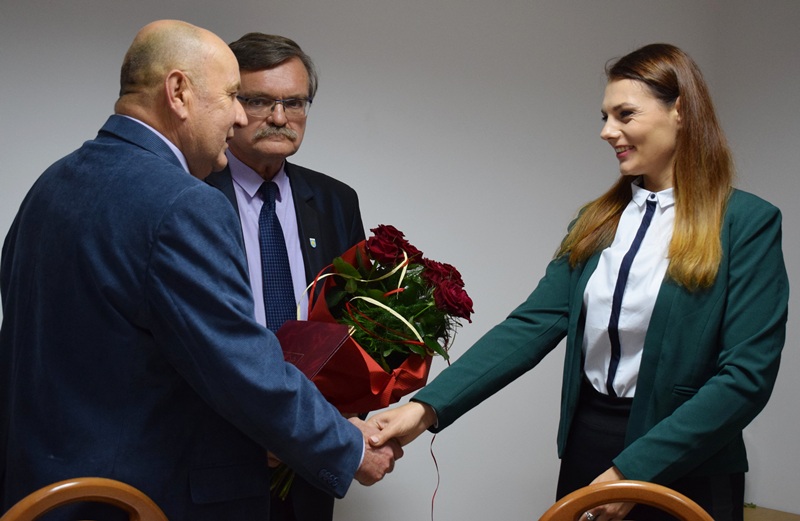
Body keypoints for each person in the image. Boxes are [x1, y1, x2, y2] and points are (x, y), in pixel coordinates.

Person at [0, 20, 401, 521]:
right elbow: (240, 366)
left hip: (46, 492)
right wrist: (349, 447)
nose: (238, 117)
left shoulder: (51, 184)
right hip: (142, 499)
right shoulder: (184, 204)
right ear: (179, 93)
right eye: (236, 95)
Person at [370, 43, 788, 521]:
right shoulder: (597, 220)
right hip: (589, 447)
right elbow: (529, 326)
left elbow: (746, 379)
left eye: (624, 114)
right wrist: (424, 409)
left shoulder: (746, 222)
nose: (608, 131)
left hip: (687, 456)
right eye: (605, 116)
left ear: (681, 111)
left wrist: (634, 470)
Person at [205, 32, 365, 521]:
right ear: (230, 105)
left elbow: (351, 321)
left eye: (293, 102)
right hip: (213, 449)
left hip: (307, 454)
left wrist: (325, 424)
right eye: (259, 101)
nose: (279, 118)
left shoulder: (336, 199)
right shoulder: (190, 195)